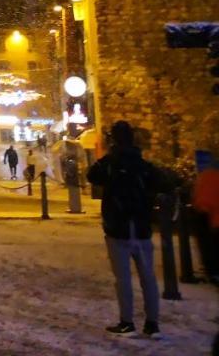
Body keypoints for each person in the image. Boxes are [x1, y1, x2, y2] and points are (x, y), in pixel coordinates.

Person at [87, 120, 162, 338]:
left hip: (117, 227)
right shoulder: (143, 165)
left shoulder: (109, 163)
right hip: (140, 226)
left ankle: (127, 321)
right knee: (148, 277)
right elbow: (159, 182)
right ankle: (152, 323)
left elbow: (92, 176)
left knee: (123, 279)